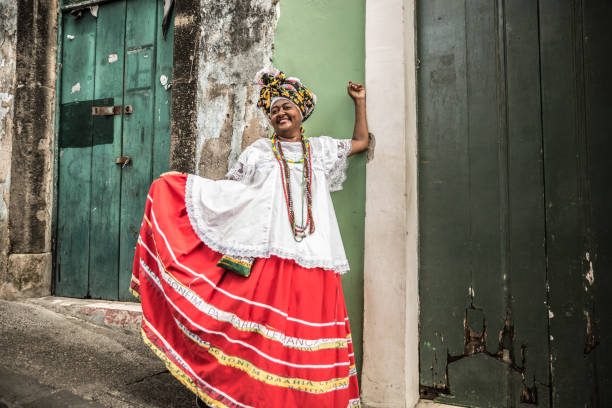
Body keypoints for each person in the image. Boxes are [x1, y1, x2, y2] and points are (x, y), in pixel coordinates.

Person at [130, 68, 369, 408]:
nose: (280, 113)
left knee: (304, 338)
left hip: (314, 256)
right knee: (256, 333)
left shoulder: (321, 150)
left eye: (287, 106)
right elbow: (233, 193)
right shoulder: (257, 152)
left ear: (301, 111)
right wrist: (185, 187)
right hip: (267, 256)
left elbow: (361, 142)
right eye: (273, 110)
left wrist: (359, 103)